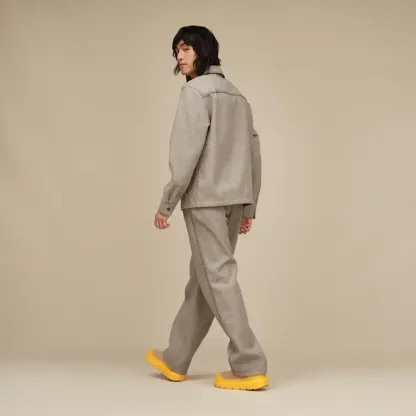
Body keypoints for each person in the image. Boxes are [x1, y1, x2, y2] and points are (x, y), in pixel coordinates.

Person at [146, 25, 268, 391]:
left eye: (185, 48)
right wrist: (249, 207)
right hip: (233, 200)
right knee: (204, 281)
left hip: (205, 201)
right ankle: (176, 358)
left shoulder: (195, 92)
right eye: (176, 50)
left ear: (204, 51)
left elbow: (185, 154)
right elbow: (253, 153)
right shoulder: (238, 97)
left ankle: (249, 364)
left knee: (217, 278)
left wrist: (167, 202)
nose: (179, 56)